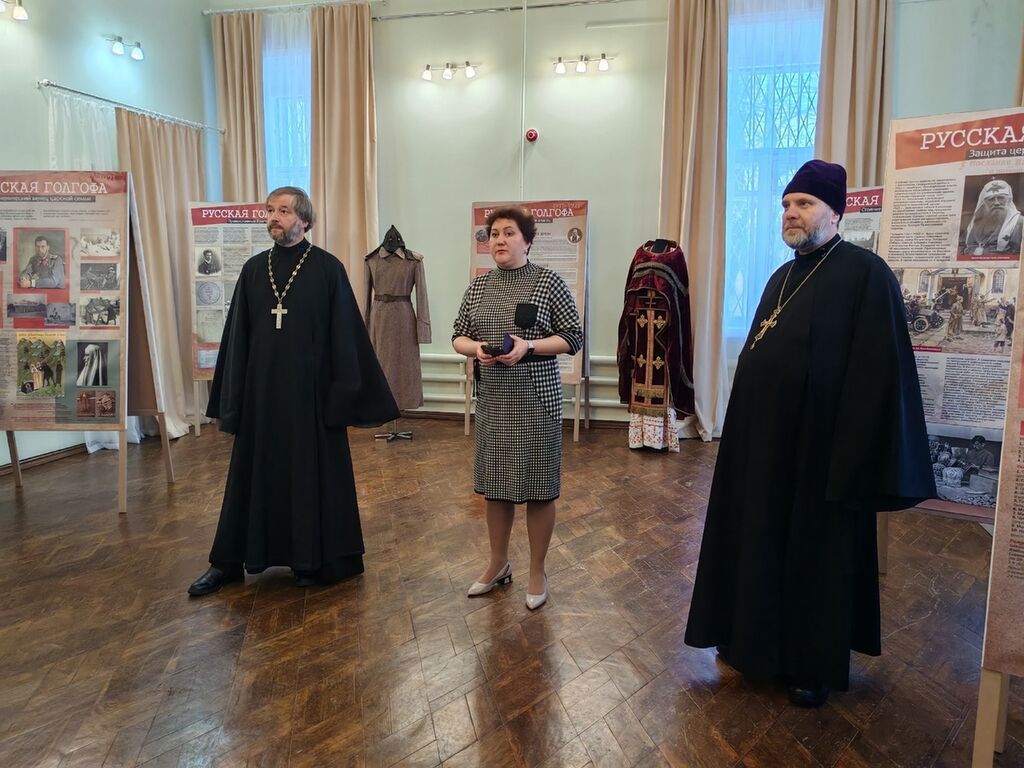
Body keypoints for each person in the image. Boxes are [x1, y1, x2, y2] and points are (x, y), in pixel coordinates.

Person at [684, 160, 935, 707]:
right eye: (786, 204)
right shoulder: (780, 277)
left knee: (814, 556)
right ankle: (749, 642)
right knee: (759, 539)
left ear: (835, 212)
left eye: (804, 204)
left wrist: (851, 451)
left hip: (823, 451)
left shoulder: (866, 274)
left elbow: (880, 373)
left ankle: (810, 664)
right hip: (763, 446)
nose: (790, 213)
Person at [188, 186, 399, 597]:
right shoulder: (253, 270)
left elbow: (345, 338)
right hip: (262, 396)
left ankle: (309, 558)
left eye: (283, 211)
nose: (274, 217)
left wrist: (340, 397)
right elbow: (237, 339)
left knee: (309, 474)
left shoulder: (327, 269)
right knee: (249, 475)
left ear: (304, 219)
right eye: (270, 210)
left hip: (311, 398)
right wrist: (234, 398)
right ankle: (227, 562)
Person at [452, 207, 582, 610]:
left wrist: (529, 347)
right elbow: (458, 335)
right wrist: (476, 348)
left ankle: (537, 570)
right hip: (493, 401)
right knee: (496, 488)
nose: (500, 240)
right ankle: (498, 563)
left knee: (539, 489)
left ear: (527, 241)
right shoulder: (479, 286)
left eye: (509, 233)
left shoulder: (548, 282)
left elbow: (572, 337)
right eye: (494, 234)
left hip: (537, 401)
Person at [963, 179, 1023, 255]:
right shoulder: (977, 222)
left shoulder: (1019, 223)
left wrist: (983, 253)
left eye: (1001, 198)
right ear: (984, 203)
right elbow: (969, 246)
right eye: (991, 199)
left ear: (1008, 200)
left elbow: (1018, 254)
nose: (996, 203)